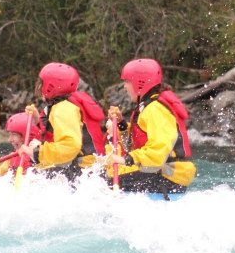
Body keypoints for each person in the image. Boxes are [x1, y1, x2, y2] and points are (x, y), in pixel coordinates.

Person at [106, 58, 197, 198]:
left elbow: (158, 150)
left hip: (168, 176)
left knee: (104, 180)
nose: (124, 86)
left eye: (127, 82)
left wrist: (126, 160)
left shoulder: (155, 109)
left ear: (139, 83)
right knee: (104, 173)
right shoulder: (148, 107)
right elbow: (138, 141)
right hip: (160, 171)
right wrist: (121, 124)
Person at [16, 62, 106, 181]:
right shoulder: (63, 105)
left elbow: (70, 146)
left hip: (85, 171)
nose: (38, 87)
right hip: (87, 168)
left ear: (50, 86)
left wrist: (36, 153)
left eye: (41, 83)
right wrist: (38, 121)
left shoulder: (63, 109)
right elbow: (55, 134)